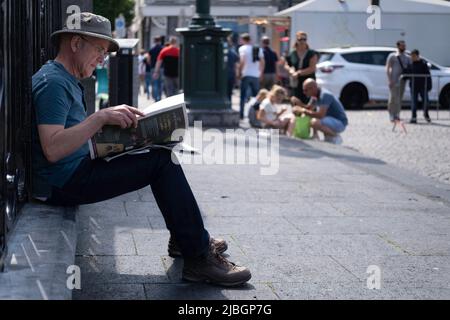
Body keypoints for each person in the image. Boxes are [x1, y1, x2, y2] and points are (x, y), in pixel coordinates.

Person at [32, 12, 251, 287]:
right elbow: (52, 148)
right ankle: (197, 256)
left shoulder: (64, 78)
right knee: (161, 162)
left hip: (77, 167)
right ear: (76, 43)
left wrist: (122, 134)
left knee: (160, 153)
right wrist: (99, 118)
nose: (102, 59)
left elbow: (70, 136)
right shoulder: (53, 82)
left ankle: (188, 240)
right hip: (63, 182)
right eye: (99, 49)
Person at [293, 79, 348, 144]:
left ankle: (335, 136)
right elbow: (309, 108)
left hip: (340, 123)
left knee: (315, 122)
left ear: (313, 88)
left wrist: (303, 110)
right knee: (312, 117)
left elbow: (320, 115)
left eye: (306, 90)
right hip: (330, 120)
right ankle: (327, 137)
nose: (304, 92)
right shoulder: (315, 95)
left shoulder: (325, 95)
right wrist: (299, 104)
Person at [285, 31, 318, 104]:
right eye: (300, 39)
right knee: (295, 101)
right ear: (296, 40)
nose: (302, 41)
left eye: (304, 39)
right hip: (296, 83)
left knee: (308, 102)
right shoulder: (292, 53)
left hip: (308, 82)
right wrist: (290, 70)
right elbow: (287, 64)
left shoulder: (311, 53)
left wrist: (298, 73)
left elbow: (312, 68)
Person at [238, 33, 265, 119]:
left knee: (243, 96)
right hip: (255, 74)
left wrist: (239, 72)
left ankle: (241, 114)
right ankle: (257, 115)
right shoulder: (258, 49)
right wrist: (261, 73)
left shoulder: (242, 48)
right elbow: (262, 62)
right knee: (257, 97)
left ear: (243, 40)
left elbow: (242, 61)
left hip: (246, 74)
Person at [386, 40, 411, 122]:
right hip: (393, 80)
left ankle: (397, 114)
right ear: (398, 46)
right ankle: (391, 114)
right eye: (402, 45)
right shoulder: (392, 56)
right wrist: (389, 79)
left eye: (404, 45)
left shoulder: (407, 57)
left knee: (399, 98)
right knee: (393, 97)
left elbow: (409, 68)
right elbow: (388, 68)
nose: (404, 47)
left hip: (402, 81)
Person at [405, 49, 432, 123]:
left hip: (423, 86)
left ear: (417, 56)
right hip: (413, 87)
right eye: (411, 56)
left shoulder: (423, 64)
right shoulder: (410, 65)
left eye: (413, 56)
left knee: (426, 102)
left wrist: (429, 86)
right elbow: (407, 74)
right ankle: (414, 117)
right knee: (414, 103)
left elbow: (428, 75)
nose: (412, 57)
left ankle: (426, 114)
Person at [148, 36, 164, 102]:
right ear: (160, 41)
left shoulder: (151, 50)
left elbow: (148, 59)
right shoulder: (162, 49)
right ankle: (160, 97)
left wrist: (151, 64)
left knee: (155, 83)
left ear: (154, 41)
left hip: (153, 68)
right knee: (160, 83)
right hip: (161, 68)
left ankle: (155, 98)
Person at [226, 35, 240, 103]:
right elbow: (237, 65)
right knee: (229, 91)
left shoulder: (230, 52)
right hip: (231, 74)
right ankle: (229, 103)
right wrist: (237, 76)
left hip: (225, 75)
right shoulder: (233, 52)